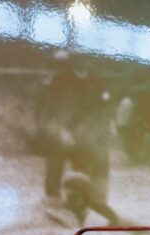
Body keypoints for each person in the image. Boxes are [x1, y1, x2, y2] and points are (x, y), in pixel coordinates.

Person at [38, 49, 112, 211]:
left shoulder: (91, 83)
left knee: (83, 168)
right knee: (55, 164)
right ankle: (53, 199)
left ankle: (82, 202)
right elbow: (48, 112)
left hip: (82, 135)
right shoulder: (55, 84)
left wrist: (83, 134)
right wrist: (61, 132)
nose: (62, 70)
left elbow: (95, 110)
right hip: (61, 135)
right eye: (59, 66)